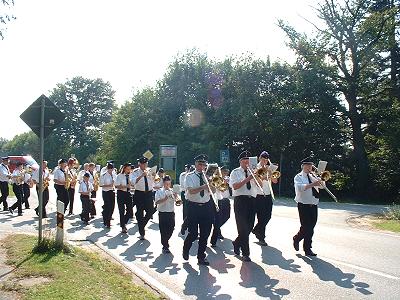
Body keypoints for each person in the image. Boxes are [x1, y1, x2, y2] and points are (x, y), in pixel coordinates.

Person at [183, 154, 214, 266]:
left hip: (206, 206)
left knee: (205, 233)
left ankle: (201, 257)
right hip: (193, 206)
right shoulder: (189, 176)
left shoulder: (208, 177)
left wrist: (213, 183)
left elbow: (213, 192)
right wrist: (204, 186)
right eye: (200, 164)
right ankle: (186, 248)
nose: (202, 166)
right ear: (195, 164)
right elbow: (191, 191)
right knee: (193, 233)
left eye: (204, 164)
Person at [230, 150, 257, 262]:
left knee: (250, 226)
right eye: (245, 160)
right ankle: (246, 253)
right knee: (242, 227)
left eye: (249, 160)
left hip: (252, 200)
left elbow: (259, 185)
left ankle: (237, 243)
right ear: (241, 161)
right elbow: (235, 186)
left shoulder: (254, 171)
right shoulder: (235, 172)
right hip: (240, 201)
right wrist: (248, 178)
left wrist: (258, 176)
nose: (247, 162)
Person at [292, 156, 322, 256]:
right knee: (306, 227)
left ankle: (297, 238)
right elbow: (300, 188)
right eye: (307, 165)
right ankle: (307, 249)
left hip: (314, 204)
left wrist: (320, 179)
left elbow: (322, 186)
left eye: (310, 165)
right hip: (303, 205)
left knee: (311, 227)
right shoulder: (298, 177)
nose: (309, 167)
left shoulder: (314, 176)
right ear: (303, 166)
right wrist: (313, 184)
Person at [252, 151, 278, 246]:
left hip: (268, 194)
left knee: (268, 216)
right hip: (258, 195)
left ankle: (256, 230)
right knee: (261, 217)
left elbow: (275, 181)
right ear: (259, 158)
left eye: (266, 160)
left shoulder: (269, 168)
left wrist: (271, 172)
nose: (265, 161)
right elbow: (257, 182)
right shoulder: (255, 167)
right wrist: (264, 176)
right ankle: (261, 238)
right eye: (263, 159)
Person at [130, 157, 155, 240]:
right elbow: (132, 182)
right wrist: (141, 176)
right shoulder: (135, 172)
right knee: (140, 214)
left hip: (149, 193)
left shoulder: (150, 170)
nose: (145, 165)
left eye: (146, 164)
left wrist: (154, 176)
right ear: (139, 164)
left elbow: (157, 181)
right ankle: (142, 233)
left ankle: (142, 225)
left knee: (150, 211)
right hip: (139, 194)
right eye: (143, 164)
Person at [210, 166, 231, 247]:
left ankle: (217, 228)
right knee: (216, 219)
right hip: (215, 200)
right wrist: (221, 181)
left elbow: (224, 189)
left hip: (223, 200)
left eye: (227, 172)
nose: (226, 173)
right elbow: (217, 188)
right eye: (224, 172)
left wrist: (226, 182)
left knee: (226, 216)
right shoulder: (215, 178)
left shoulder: (226, 178)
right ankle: (214, 240)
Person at [154, 175, 176, 254]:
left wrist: (176, 197)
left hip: (171, 213)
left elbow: (178, 202)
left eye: (169, 184)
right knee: (163, 231)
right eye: (166, 184)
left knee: (171, 228)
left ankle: (165, 241)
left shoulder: (172, 191)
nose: (168, 186)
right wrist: (165, 199)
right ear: (163, 183)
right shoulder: (159, 191)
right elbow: (156, 202)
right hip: (162, 213)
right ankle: (165, 246)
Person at [115, 163, 133, 233]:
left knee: (130, 210)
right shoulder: (119, 176)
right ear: (124, 168)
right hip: (121, 193)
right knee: (121, 211)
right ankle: (123, 226)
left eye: (130, 169)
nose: (129, 170)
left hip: (128, 193)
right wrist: (125, 186)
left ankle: (124, 222)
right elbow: (116, 186)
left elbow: (132, 184)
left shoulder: (131, 175)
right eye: (127, 169)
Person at [99, 162, 116, 228]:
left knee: (112, 206)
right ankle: (106, 221)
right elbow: (100, 184)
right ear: (107, 169)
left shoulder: (114, 174)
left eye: (112, 169)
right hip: (105, 191)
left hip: (112, 191)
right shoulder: (103, 175)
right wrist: (108, 185)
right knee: (107, 207)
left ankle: (108, 219)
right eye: (110, 169)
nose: (111, 170)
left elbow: (116, 181)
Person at [179, 164, 190, 235]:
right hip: (184, 192)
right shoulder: (183, 175)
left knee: (190, 209)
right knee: (185, 208)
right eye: (186, 168)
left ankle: (188, 223)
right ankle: (185, 222)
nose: (186, 169)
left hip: (191, 193)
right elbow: (183, 184)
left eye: (187, 168)